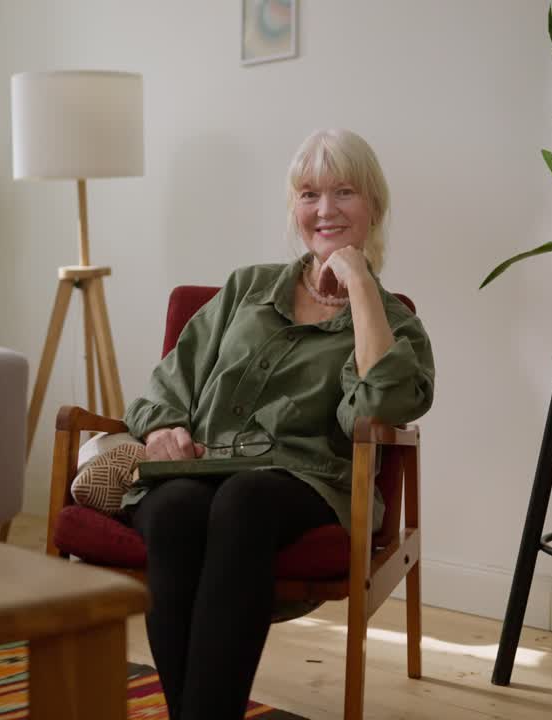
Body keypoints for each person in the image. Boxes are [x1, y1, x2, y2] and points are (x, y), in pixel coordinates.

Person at [121, 128, 435, 719]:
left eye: (344, 192)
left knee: (245, 500)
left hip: (306, 481)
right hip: (206, 465)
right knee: (170, 508)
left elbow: (377, 408)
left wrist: (361, 283)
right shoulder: (246, 288)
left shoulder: (392, 322)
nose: (324, 210)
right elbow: (171, 380)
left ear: (374, 206)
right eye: (309, 193)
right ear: (294, 207)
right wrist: (161, 426)